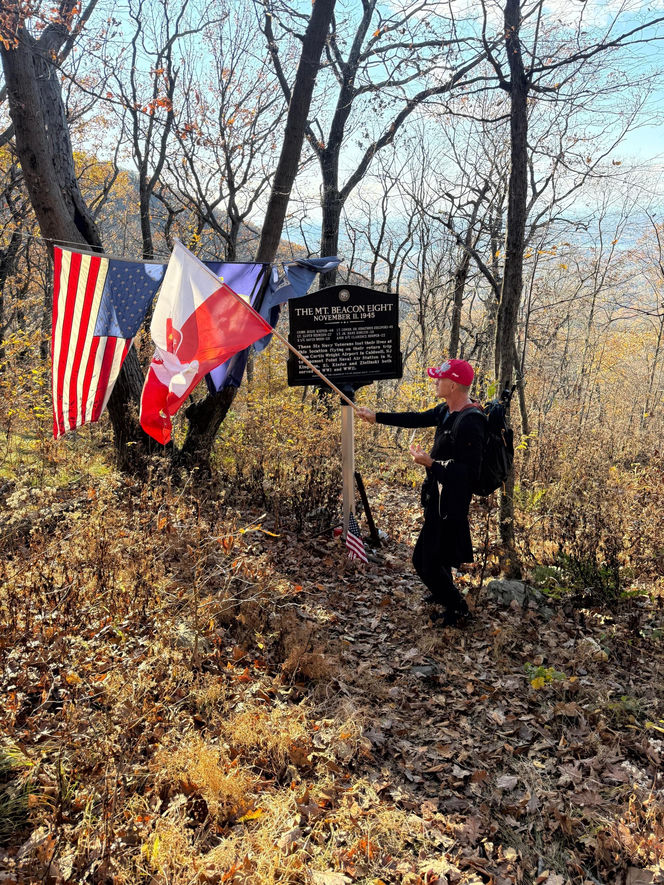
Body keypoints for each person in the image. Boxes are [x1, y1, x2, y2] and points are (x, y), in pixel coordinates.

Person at [356, 358, 485, 627]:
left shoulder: (471, 421)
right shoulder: (446, 411)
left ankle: (458, 608)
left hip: (451, 503)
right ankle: (445, 594)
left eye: (440, 379)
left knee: (423, 561)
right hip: (436, 498)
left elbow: (467, 475)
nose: (435, 382)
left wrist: (431, 464)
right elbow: (415, 418)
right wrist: (376, 416)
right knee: (439, 556)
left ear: (452, 384)